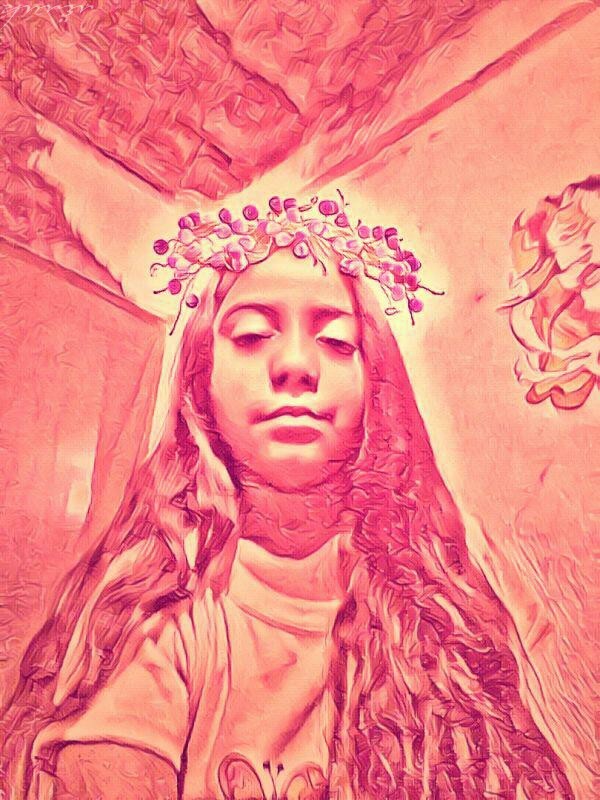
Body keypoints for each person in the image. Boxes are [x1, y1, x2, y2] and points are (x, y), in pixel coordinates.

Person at [1, 195, 574, 800]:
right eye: (252, 335)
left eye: (337, 340)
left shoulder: (450, 586)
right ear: (201, 382)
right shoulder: (166, 616)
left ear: (377, 383)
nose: (297, 364)